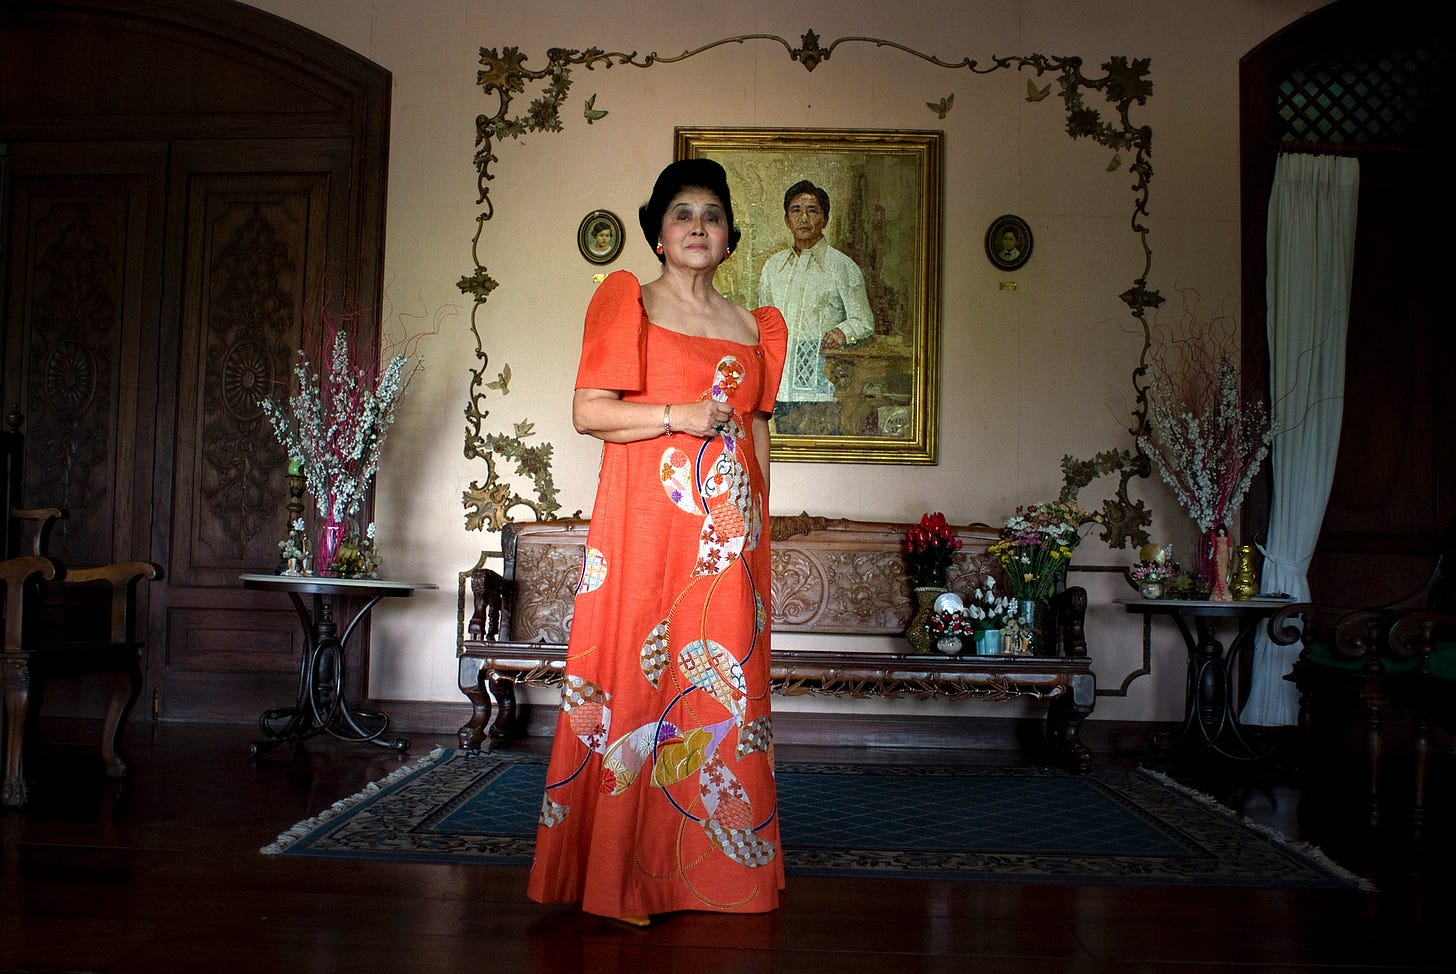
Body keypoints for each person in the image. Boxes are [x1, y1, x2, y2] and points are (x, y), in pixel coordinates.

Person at [526, 158, 788, 926]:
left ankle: (707, 873)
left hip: (726, 535)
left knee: (719, 689)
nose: (699, 225)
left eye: (712, 213)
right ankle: (622, 877)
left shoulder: (754, 325)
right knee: (643, 679)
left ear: (730, 235)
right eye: (682, 213)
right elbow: (588, 411)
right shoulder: (627, 301)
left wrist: (758, 523)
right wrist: (677, 414)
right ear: (661, 234)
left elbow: (757, 428)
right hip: (646, 525)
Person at [757, 179, 874, 435]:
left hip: (826, 387)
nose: (804, 218)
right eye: (796, 210)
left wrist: (843, 332)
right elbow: (764, 324)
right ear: (787, 220)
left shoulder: (842, 267)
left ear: (825, 219)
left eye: (813, 210)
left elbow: (863, 320)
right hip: (781, 386)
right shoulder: (773, 268)